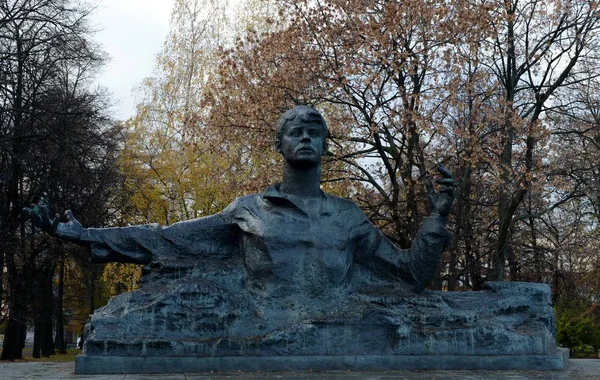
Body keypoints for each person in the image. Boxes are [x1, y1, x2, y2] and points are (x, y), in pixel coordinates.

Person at [26, 105, 453, 295]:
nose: (306, 136)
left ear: (326, 146)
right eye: (295, 130)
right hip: (263, 330)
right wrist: (83, 235)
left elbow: (408, 275)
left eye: (315, 130)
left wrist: (437, 219)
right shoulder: (248, 210)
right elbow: (166, 240)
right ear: (279, 144)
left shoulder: (349, 216)